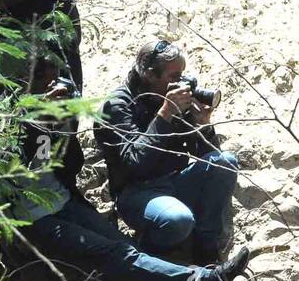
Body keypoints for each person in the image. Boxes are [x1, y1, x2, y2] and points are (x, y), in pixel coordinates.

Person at [13, 53, 249, 281]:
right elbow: (28, 171)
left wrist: (201, 124)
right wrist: (33, 123)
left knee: (130, 250)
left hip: (62, 200)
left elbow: (61, 161)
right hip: (35, 218)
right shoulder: (9, 127)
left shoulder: (44, 116)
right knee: (116, 253)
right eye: (47, 83)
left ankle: (204, 258)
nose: (54, 89)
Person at [95, 39, 240, 266]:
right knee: (178, 220)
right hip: (138, 192)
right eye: (173, 77)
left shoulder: (171, 95)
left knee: (225, 162)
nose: (179, 82)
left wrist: (202, 124)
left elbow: (207, 155)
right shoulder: (118, 106)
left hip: (176, 180)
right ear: (151, 75)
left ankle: (206, 248)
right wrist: (165, 114)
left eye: (182, 74)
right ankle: (152, 251)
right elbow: (136, 163)